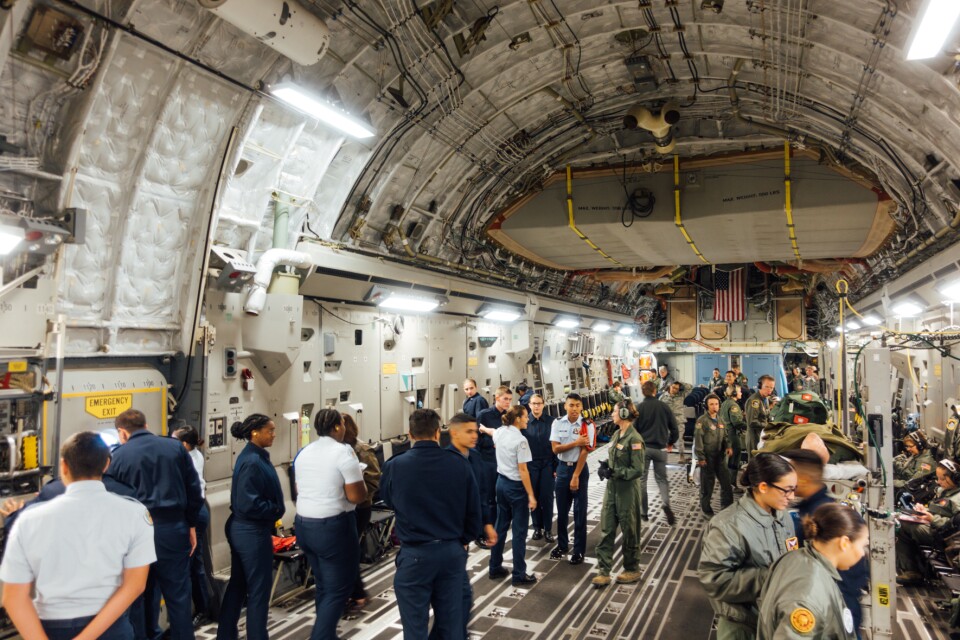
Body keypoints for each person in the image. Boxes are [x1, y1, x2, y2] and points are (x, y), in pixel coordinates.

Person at [0, 432, 155, 640]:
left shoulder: (28, 520)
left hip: (49, 629)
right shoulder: (135, 514)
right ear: (106, 464)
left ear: (63, 466)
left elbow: (13, 598)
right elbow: (134, 585)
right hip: (111, 629)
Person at [381, 409, 482, 640]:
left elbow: (388, 499)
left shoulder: (395, 466)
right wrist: (462, 541)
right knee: (451, 628)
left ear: (410, 435)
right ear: (438, 433)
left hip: (414, 556)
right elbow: (473, 513)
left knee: (414, 629)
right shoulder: (459, 464)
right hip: (450, 553)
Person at [107, 409, 203, 640]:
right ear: (146, 424)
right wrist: (190, 524)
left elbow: (112, 500)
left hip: (135, 534)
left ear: (122, 432)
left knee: (137, 595)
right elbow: (194, 490)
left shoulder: (118, 457)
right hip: (173, 528)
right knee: (178, 596)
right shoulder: (175, 448)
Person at [698, 453, 799, 639]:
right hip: (742, 627)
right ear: (763, 487)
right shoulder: (728, 526)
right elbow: (714, 579)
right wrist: (768, 577)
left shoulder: (782, 516)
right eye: (787, 490)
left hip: (773, 618)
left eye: (795, 489)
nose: (792, 497)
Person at [293, 409, 366, 640]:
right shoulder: (344, 452)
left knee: (324, 584)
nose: (344, 428)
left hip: (304, 526)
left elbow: (298, 489)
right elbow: (356, 496)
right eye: (342, 424)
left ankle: (327, 635)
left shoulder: (304, 452)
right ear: (336, 427)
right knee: (339, 588)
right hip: (334, 528)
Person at [780, 449, 870, 636]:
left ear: (802, 479)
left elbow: (845, 577)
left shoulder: (824, 518)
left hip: (834, 610)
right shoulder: (810, 510)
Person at [217, 414, 285, 640]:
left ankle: (226, 634)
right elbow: (248, 503)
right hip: (251, 531)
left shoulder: (255, 457)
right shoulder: (252, 461)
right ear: (255, 432)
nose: (274, 434)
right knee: (258, 590)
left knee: (239, 584)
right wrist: (274, 509)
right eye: (270, 430)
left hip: (247, 529)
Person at [758, 503, 868, 640]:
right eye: (862, 546)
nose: (863, 553)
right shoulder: (809, 594)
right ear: (844, 543)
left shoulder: (796, 558)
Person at [442, 413, 498, 639]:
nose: (475, 436)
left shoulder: (475, 459)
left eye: (476, 431)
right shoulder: (443, 462)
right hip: (450, 538)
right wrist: (458, 538)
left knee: (459, 596)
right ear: (454, 433)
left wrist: (486, 523)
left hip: (462, 537)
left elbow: (480, 494)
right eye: (469, 432)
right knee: (459, 596)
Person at [592, 399, 646, 587]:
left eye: (615, 411)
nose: (612, 414)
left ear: (624, 414)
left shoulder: (635, 439)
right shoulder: (616, 434)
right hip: (612, 490)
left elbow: (637, 470)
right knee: (606, 529)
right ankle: (604, 571)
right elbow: (614, 458)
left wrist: (617, 472)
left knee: (630, 531)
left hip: (627, 492)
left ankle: (632, 569)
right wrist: (606, 466)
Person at [489, 404, 538, 585]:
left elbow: (491, 432)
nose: (527, 419)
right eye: (525, 416)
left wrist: (483, 428)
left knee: (500, 527)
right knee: (519, 532)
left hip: (500, 484)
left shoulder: (501, 432)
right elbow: (523, 470)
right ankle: (519, 574)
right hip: (516, 488)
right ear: (518, 419)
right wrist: (531, 495)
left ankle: (494, 567)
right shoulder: (521, 441)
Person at [896, 458, 960, 585]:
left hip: (947, 536)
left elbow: (956, 526)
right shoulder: (945, 491)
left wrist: (932, 518)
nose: (939, 482)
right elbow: (939, 510)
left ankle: (913, 572)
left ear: (955, 478)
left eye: (942, 479)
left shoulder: (957, 499)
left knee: (903, 527)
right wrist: (923, 510)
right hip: (934, 527)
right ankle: (913, 568)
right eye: (938, 478)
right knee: (901, 522)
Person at [172, 426, 212, 625]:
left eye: (174, 440)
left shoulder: (189, 460)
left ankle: (201, 610)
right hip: (196, 510)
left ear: (185, 444)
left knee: (193, 563)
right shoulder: (193, 455)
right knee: (194, 562)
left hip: (194, 513)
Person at [341, 413, 381, 613]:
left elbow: (374, 479)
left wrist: (357, 493)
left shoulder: (361, 450)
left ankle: (357, 593)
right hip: (344, 508)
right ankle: (355, 592)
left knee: (348, 551)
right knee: (347, 551)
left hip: (360, 508)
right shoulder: (339, 450)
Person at [549, 393, 595, 565]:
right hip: (561, 469)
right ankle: (562, 545)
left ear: (581, 407)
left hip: (580, 470)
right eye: (571, 405)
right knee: (561, 511)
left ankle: (579, 550)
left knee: (579, 512)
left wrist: (575, 475)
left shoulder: (586, 424)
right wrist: (575, 443)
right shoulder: (557, 423)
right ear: (565, 406)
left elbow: (585, 451)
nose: (574, 409)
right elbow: (555, 449)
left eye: (577, 405)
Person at [633, 380, 678, 524]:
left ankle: (644, 513)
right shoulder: (664, 406)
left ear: (642, 392)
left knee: (642, 480)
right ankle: (665, 503)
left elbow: (634, 431)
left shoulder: (639, 408)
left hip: (644, 449)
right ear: (655, 391)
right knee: (662, 479)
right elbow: (675, 429)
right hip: (661, 449)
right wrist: (670, 442)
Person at [476, 386, 513, 546]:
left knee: (501, 497)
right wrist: (494, 443)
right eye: (505, 399)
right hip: (487, 461)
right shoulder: (484, 415)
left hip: (503, 461)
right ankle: (483, 533)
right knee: (487, 498)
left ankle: (497, 529)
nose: (508, 402)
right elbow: (477, 439)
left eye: (510, 400)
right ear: (497, 398)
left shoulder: (509, 417)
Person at [524, 394, 557, 541]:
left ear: (543, 405)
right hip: (531, 465)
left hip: (547, 464)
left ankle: (548, 529)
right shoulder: (524, 423)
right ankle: (537, 528)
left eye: (539, 403)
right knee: (534, 497)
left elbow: (556, 445)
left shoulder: (551, 422)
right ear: (529, 406)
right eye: (533, 404)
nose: (536, 406)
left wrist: (556, 467)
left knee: (547, 497)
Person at [695, 394, 734, 517]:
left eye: (716, 404)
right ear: (706, 406)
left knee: (726, 484)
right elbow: (698, 440)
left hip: (720, 457)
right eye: (711, 404)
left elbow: (726, 436)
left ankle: (727, 508)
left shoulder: (721, 420)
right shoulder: (702, 421)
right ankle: (706, 510)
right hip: (707, 457)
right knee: (707, 486)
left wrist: (728, 446)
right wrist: (701, 457)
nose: (714, 406)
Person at [744, 375, 776, 459]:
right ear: (760, 386)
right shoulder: (755, 401)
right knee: (754, 463)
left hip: (761, 435)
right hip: (754, 437)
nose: (769, 390)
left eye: (772, 388)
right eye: (767, 387)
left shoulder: (765, 400)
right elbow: (752, 422)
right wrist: (768, 425)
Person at [719, 385, 746, 474]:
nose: (741, 393)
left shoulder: (724, 403)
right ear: (734, 393)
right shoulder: (733, 405)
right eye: (739, 391)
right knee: (734, 458)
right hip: (732, 434)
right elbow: (736, 422)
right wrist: (748, 426)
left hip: (724, 433)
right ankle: (732, 483)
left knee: (728, 458)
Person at [662, 381, 691, 462]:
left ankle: (682, 457)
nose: (675, 390)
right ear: (670, 386)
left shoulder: (681, 395)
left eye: (677, 389)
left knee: (680, 439)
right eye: (673, 387)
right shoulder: (663, 397)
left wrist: (680, 382)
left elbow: (690, 387)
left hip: (679, 420)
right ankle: (663, 457)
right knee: (665, 439)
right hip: (667, 421)